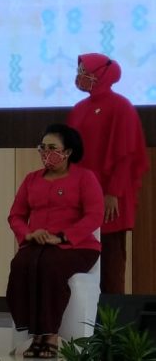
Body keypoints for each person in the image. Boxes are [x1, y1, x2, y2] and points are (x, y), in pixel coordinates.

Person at [6, 124, 103, 359]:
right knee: (20, 265)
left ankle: (49, 336)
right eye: (43, 148)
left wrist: (62, 236)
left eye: (52, 148)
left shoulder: (85, 177)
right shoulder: (31, 179)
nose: (46, 153)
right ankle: (34, 334)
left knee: (50, 266)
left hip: (76, 246)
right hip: (38, 245)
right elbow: (16, 215)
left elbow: (94, 216)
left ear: (67, 152)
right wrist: (29, 234)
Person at [66, 53, 149, 294]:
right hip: (81, 194)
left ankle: (111, 316)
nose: (80, 76)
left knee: (111, 261)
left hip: (110, 196)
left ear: (101, 74)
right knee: (79, 258)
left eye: (85, 71)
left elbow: (126, 156)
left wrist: (113, 193)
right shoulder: (79, 109)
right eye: (79, 71)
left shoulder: (121, 107)